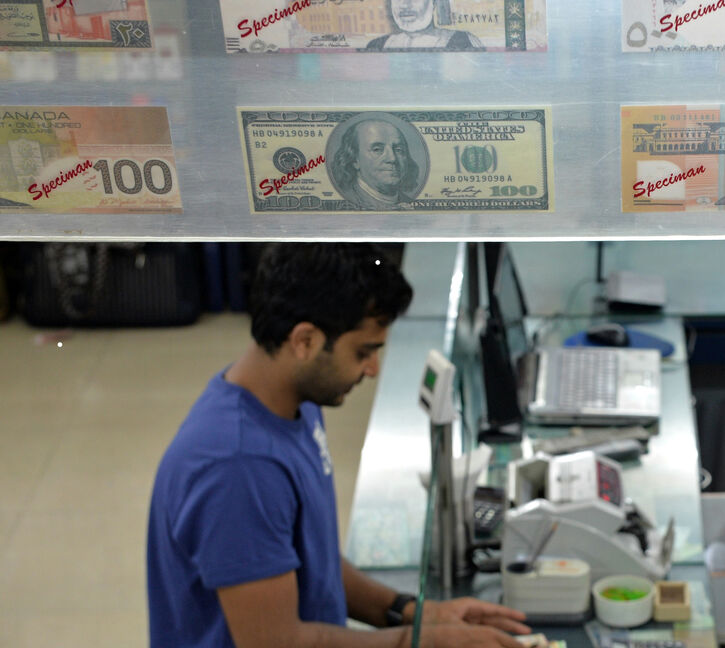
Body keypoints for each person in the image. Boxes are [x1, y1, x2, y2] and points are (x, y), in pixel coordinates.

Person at [147, 244, 530, 648]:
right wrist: (420, 643)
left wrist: (415, 614)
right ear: (305, 340)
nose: (372, 369)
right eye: (363, 351)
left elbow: (313, 563)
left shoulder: (291, 403)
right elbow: (277, 643)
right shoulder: (237, 466)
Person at [331, 118, 421, 210]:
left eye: (399, 150)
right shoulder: (349, 200)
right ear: (355, 160)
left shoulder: (414, 205)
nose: (392, 158)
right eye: (377, 149)